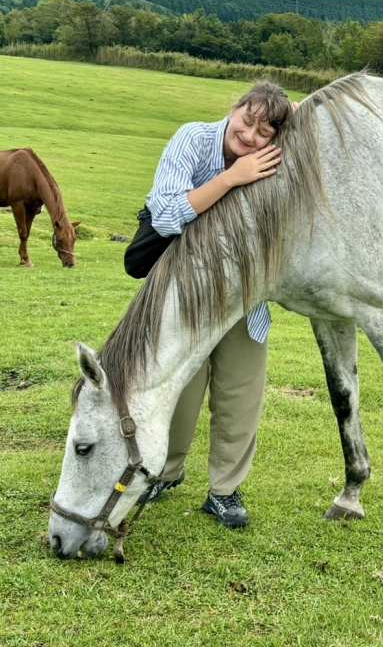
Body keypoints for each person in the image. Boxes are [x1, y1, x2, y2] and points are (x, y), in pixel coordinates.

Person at [124, 81, 295, 528]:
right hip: (184, 290)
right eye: (247, 120)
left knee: (240, 393)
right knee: (179, 387)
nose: (250, 135)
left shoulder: (274, 163)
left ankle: (224, 491)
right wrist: (232, 178)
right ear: (235, 109)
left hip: (243, 294)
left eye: (264, 132)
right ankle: (166, 472)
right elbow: (165, 216)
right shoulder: (194, 139)